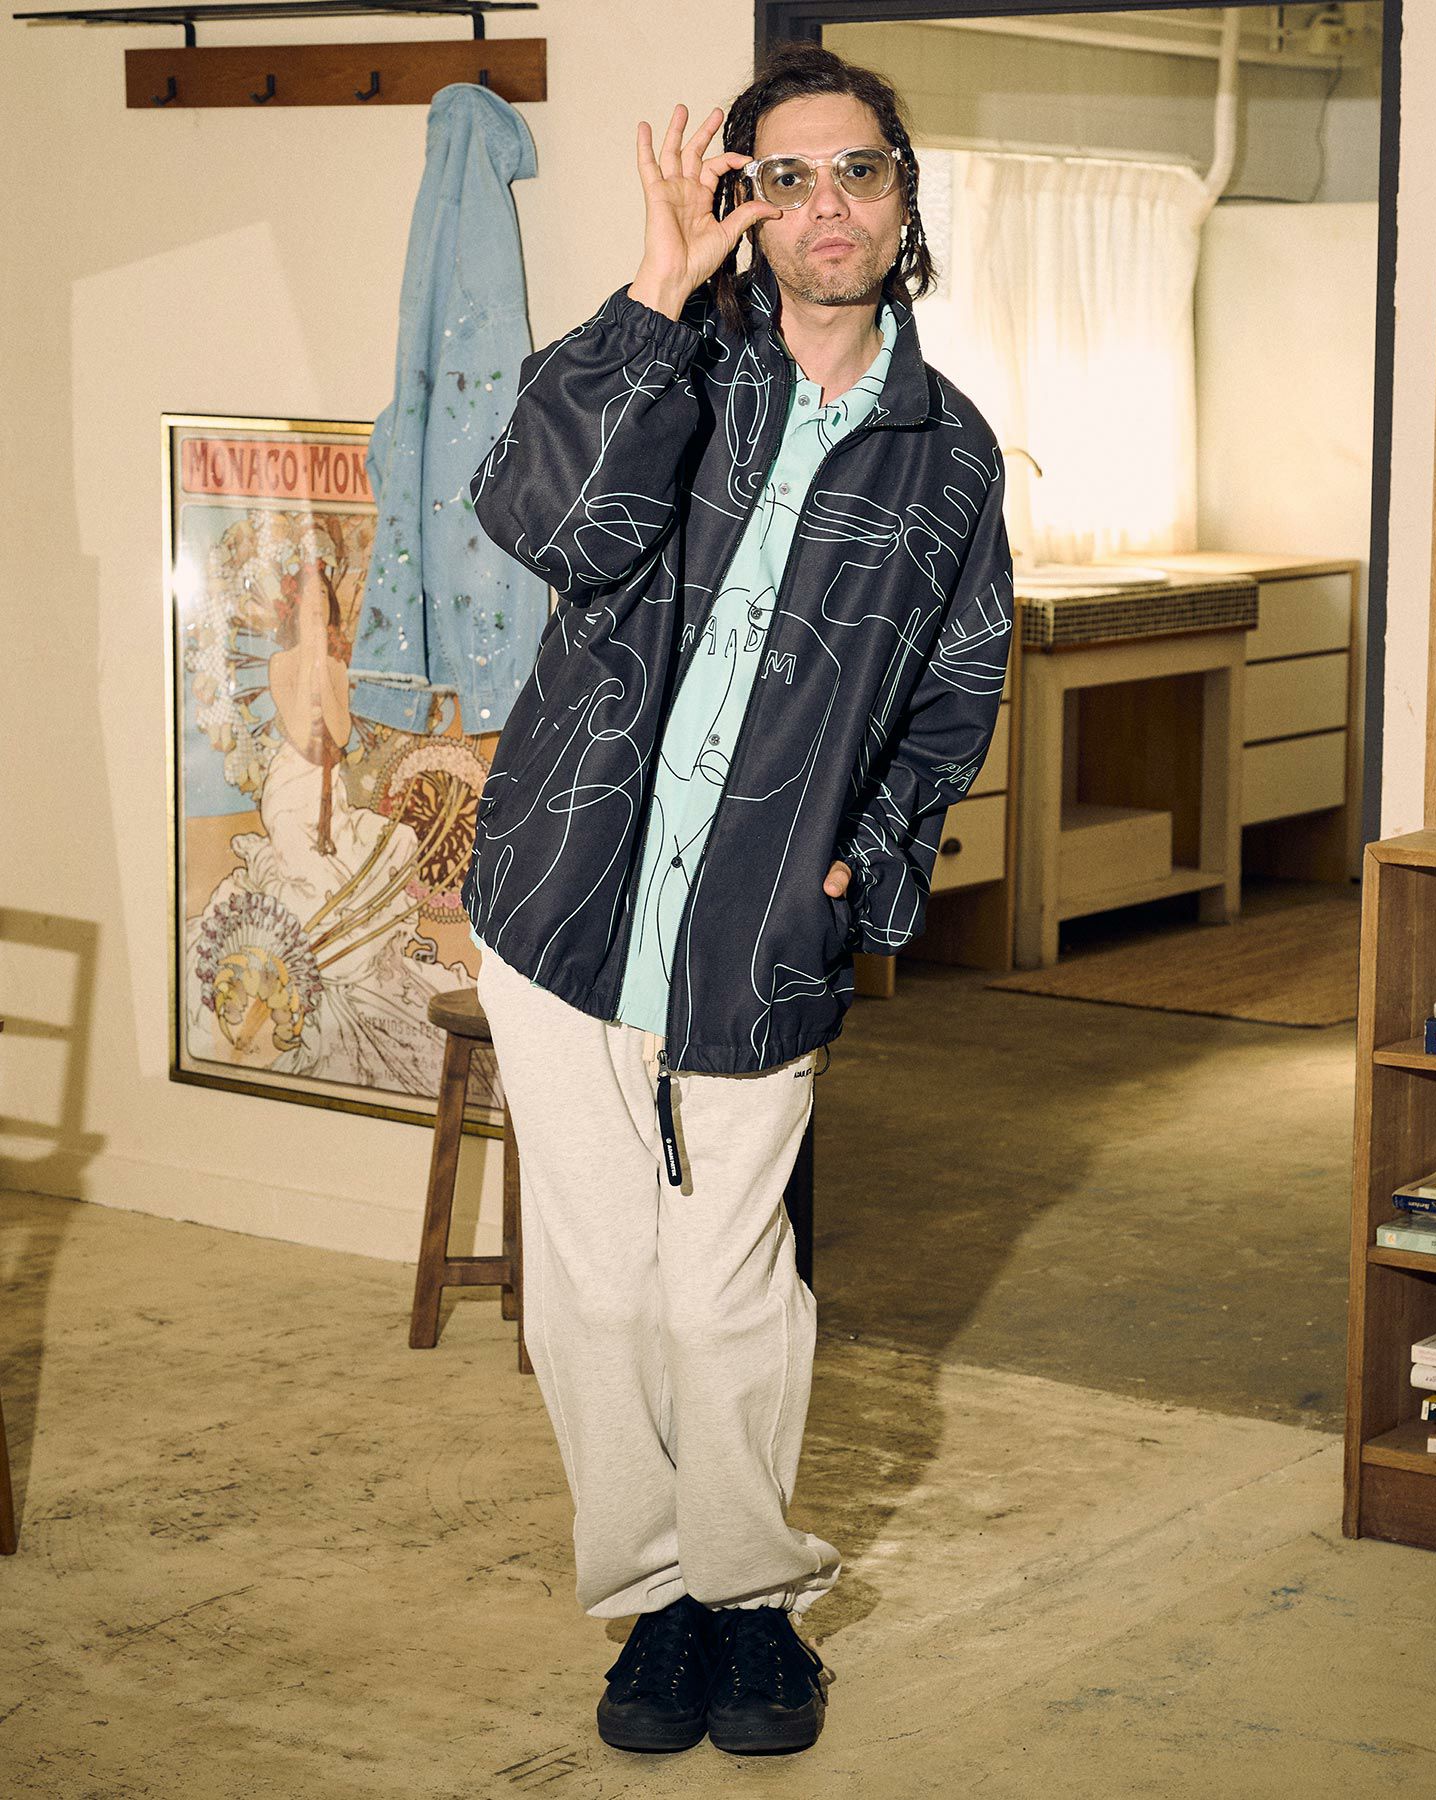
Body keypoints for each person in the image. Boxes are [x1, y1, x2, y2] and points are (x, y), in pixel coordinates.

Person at [464, 43, 1014, 1758]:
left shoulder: (949, 451)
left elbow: (958, 686)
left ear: (903, 197)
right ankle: (653, 1603)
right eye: (785, 177)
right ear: (744, 205)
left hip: (760, 925)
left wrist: (875, 863)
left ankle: (752, 1601)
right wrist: (653, 288)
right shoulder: (673, 367)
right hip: (565, 896)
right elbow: (542, 519)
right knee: (598, 1289)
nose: (825, 205)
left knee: (724, 1294)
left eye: (857, 171)